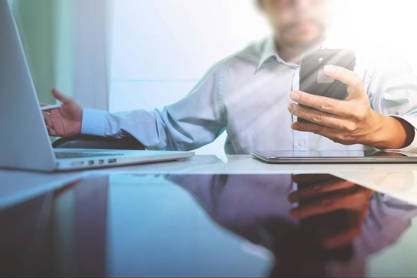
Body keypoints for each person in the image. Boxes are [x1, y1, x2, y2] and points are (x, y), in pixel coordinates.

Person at [43, 0, 417, 154]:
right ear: (263, 6)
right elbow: (169, 128)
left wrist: (381, 129)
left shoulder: (379, 62)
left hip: (357, 206)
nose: (300, 8)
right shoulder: (231, 71)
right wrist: (86, 121)